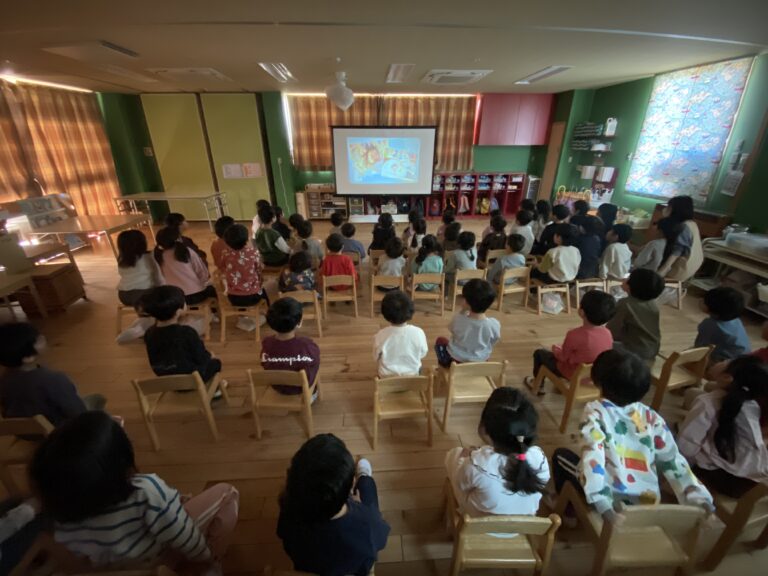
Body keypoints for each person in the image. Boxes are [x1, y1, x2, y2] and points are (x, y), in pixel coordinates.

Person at [30, 411, 238, 574]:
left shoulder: (53, 505)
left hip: (118, 566)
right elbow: (185, 537)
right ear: (121, 460)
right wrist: (204, 559)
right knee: (227, 493)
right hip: (160, 559)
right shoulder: (145, 490)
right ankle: (210, 568)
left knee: (175, 502)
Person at [552, 350, 714, 524]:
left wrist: (602, 503)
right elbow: (674, 461)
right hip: (648, 503)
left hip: (609, 504)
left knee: (560, 456)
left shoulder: (595, 412)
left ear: (596, 382)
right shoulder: (652, 418)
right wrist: (701, 501)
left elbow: (593, 455)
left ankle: (569, 512)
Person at [277, 434, 390, 576]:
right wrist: (357, 506)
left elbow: (283, 536)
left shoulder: (289, 510)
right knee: (366, 487)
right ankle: (363, 474)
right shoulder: (366, 523)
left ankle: (363, 475)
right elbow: (380, 540)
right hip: (356, 570)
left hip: (308, 566)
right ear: (348, 491)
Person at [445, 388, 549, 517]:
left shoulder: (476, 465)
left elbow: (461, 485)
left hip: (478, 522)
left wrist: (466, 457)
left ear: (484, 428)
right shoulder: (540, 458)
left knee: (454, 454)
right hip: (521, 525)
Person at [677, 356, 768, 498]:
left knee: (669, 436)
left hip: (727, 480)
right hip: (752, 480)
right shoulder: (751, 405)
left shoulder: (707, 403)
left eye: (727, 363)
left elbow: (686, 447)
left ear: (727, 377)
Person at [0, 323, 105, 427]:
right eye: (39, 340)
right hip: (59, 431)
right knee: (97, 399)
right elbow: (76, 412)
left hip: (24, 431)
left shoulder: (5, 378)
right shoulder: (53, 379)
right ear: (28, 357)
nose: (43, 337)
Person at [525, 290, 615, 394]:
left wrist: (556, 349)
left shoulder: (574, 334)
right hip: (594, 377)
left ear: (582, 312)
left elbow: (562, 357)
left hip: (573, 374)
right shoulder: (608, 333)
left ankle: (538, 385)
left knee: (540, 354)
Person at [141, 286, 222, 383]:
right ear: (178, 311)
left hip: (166, 379)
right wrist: (211, 356)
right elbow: (201, 357)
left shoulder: (149, 333)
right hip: (192, 379)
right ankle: (215, 390)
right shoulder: (187, 332)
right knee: (216, 362)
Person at [261, 297, 321, 398]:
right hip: (302, 387)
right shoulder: (306, 345)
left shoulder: (266, 343)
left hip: (277, 386)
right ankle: (312, 396)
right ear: (299, 323)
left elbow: (263, 362)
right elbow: (316, 360)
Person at [435, 279, 500, 367]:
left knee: (440, 340)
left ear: (466, 302)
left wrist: (462, 311)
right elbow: (493, 341)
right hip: (481, 362)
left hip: (456, 361)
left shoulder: (458, 319)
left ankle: (445, 367)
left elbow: (451, 329)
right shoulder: (494, 324)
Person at [607, 269, 664, 362]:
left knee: (599, 341)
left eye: (629, 278)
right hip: (652, 349)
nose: (625, 279)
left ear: (632, 286)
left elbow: (611, 332)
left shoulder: (625, 304)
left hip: (634, 352)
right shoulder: (652, 303)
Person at [154, 226, 216, 305]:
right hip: (196, 295)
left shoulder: (157, 255)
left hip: (175, 298)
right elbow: (203, 273)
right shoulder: (187, 252)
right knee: (213, 291)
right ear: (178, 239)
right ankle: (214, 315)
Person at [373, 291, 428, 377]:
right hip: (412, 377)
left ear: (385, 314)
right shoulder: (419, 332)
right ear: (410, 310)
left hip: (386, 378)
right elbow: (423, 353)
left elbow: (375, 357)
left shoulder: (380, 335)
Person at [695, 286, 751, 363]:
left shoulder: (710, 325)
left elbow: (700, 348)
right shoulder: (735, 320)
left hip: (727, 363)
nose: (700, 300)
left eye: (704, 301)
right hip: (743, 360)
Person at [220, 223, 268, 308]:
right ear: (246, 239)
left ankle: (242, 315)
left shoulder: (225, 254)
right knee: (264, 292)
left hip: (233, 297)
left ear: (227, 241)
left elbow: (223, 269)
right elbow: (260, 269)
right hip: (253, 295)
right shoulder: (253, 252)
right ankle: (266, 311)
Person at [657, 195, 704, 281]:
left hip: (680, 269)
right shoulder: (692, 223)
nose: (665, 209)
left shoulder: (684, 227)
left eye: (668, 206)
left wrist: (662, 271)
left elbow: (677, 251)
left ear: (676, 209)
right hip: (693, 265)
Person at [117, 229, 164, 307]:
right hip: (143, 295)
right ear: (143, 243)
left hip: (123, 295)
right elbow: (158, 278)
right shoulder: (149, 257)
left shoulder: (122, 260)